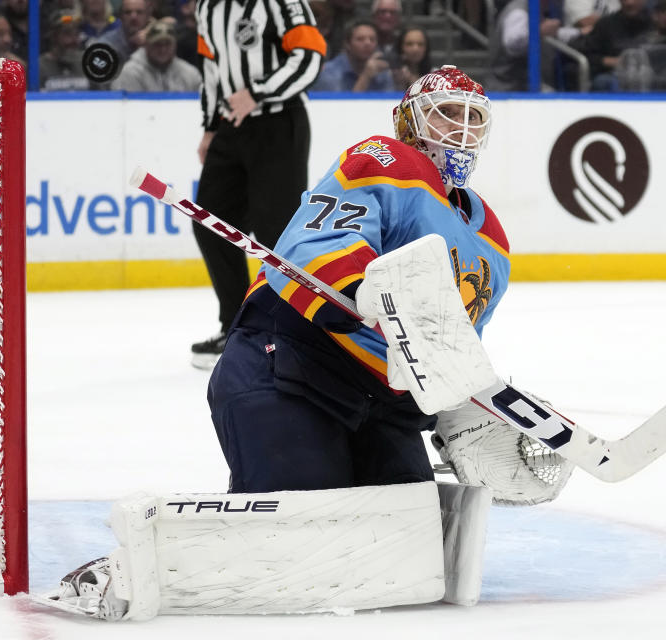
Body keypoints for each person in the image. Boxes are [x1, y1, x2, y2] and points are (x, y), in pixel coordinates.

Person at [206, 65, 511, 492]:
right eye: (445, 112)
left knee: (412, 536)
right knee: (304, 522)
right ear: (409, 121)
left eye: (473, 118)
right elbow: (319, 238)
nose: (460, 129)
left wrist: (465, 418)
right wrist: (360, 288)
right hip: (292, 365)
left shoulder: (492, 241)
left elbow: (449, 347)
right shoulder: (386, 158)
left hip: (384, 406)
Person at [189, 0, 326, 368]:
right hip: (231, 126)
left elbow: (310, 56)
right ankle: (236, 326)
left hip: (279, 124)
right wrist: (209, 127)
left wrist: (258, 91)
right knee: (210, 221)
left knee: (277, 233)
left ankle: (289, 330)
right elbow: (211, 69)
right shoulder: (208, 7)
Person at [573, 0, 653, 90]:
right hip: (613, 75)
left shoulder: (656, 23)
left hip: (651, 75)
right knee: (604, 81)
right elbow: (588, 55)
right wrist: (612, 61)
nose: (629, 3)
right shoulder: (606, 24)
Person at [111, 19, 201, 90]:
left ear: (175, 45)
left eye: (167, 44)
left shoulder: (190, 74)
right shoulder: (129, 73)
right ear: (146, 45)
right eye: (157, 44)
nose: (163, 49)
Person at [311, 19, 393, 91]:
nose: (368, 43)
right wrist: (366, 76)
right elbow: (341, 107)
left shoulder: (382, 72)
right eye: (360, 39)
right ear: (347, 44)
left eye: (372, 39)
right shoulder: (328, 72)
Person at [89, 0, 154, 69]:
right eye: (128, 12)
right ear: (120, 16)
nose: (133, 17)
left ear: (148, 16)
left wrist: (147, 47)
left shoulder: (155, 40)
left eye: (139, 12)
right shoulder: (105, 44)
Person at [40, 9, 90, 90]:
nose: (74, 40)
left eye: (77, 33)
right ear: (53, 36)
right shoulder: (39, 67)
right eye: (67, 33)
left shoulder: (87, 63)